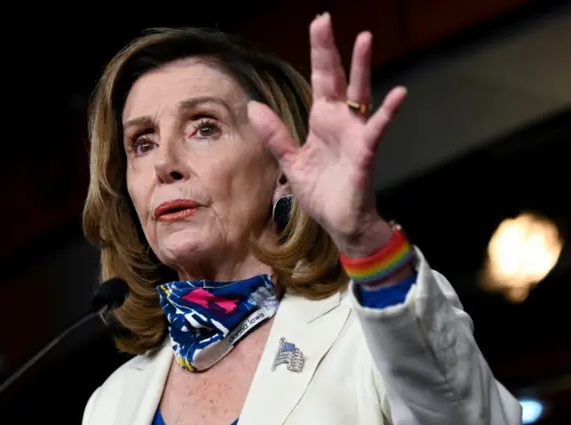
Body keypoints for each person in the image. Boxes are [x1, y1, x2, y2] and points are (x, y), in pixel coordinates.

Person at [81, 13, 521, 425]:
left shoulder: (372, 326)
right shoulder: (111, 405)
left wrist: (365, 240)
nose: (164, 164)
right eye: (142, 143)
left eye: (204, 126)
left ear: (283, 167)